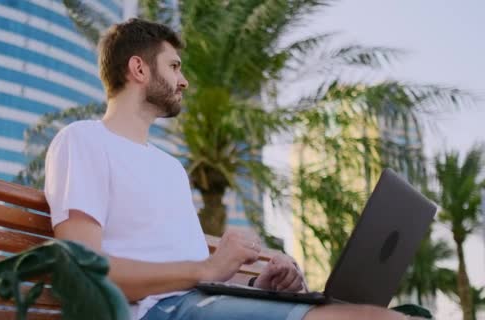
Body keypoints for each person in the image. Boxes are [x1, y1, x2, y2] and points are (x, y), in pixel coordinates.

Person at [44, 18, 418, 320]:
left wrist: (260, 288)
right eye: (174, 66)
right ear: (138, 68)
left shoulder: (170, 168)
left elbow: (200, 282)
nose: (184, 80)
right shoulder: (83, 141)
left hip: (195, 305)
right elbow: (86, 270)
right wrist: (206, 270)